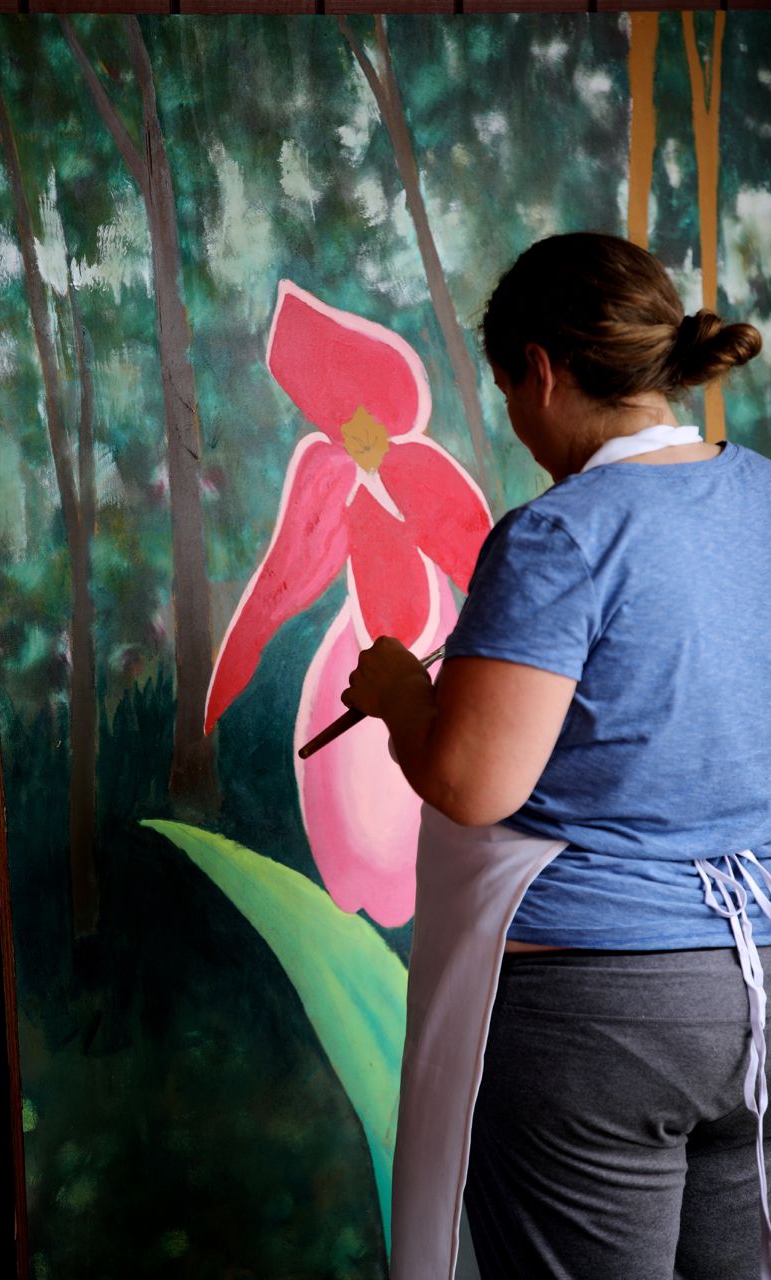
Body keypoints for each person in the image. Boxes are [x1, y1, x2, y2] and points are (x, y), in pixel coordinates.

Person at [341, 232, 769, 1280]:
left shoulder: (562, 533)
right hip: (752, 984)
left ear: (537, 369)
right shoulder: (760, 494)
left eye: (505, 393)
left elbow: (471, 784)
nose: (518, 424)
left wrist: (399, 698)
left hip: (598, 1012)